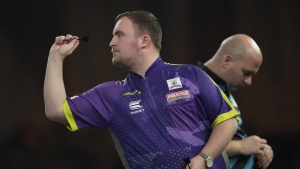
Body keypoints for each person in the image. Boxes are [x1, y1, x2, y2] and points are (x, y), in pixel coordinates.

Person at [44, 10, 238, 169]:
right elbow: (55, 110)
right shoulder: (110, 95)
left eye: (119, 35)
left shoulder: (190, 74)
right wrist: (55, 57)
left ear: (144, 41)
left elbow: (227, 120)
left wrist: (204, 158)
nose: (111, 42)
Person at [197, 34, 273, 169]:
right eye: (246, 73)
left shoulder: (221, 86)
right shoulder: (195, 87)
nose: (248, 82)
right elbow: (192, 145)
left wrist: (260, 150)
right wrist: (241, 146)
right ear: (226, 60)